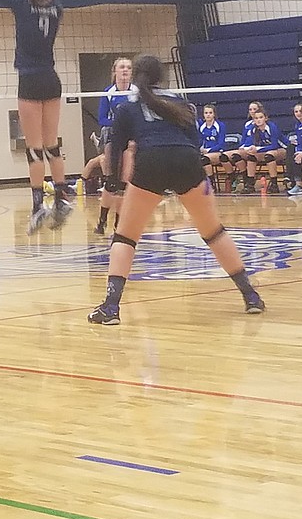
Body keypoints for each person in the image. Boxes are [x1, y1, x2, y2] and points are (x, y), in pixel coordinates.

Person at [87, 55, 264, 326]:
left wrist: (114, 184)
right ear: (161, 77)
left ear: (135, 76)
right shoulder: (181, 102)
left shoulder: (126, 107)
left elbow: (116, 149)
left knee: (125, 237)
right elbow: (194, 142)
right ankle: (250, 296)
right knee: (214, 232)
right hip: (187, 162)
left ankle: (110, 308)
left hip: (151, 163)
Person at [0, 0, 72, 233]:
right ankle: (61, 198)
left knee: (34, 149)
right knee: (52, 145)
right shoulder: (57, 10)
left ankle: (38, 207)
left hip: (30, 80)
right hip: (51, 79)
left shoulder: (23, 7)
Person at [95, 56, 134, 235]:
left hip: (131, 138)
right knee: (111, 182)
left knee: (124, 184)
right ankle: (102, 221)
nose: (125, 70)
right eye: (122, 67)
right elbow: (102, 118)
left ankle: (119, 225)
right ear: (115, 71)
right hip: (113, 135)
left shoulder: (137, 92)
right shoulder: (109, 92)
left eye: (128, 67)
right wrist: (118, 123)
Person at [251, 104, 288, 194]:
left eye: (260, 117)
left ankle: (274, 184)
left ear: (266, 118)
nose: (258, 120)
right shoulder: (254, 130)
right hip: (268, 150)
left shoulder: (272, 127)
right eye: (256, 118)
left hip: (283, 149)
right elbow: (257, 145)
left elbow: (275, 145)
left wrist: (258, 149)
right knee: (251, 156)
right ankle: (249, 184)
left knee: (269, 156)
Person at [198, 104, 229, 180]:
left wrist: (208, 150)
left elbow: (221, 144)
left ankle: (211, 183)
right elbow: (199, 141)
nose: (208, 115)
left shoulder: (220, 125)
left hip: (217, 151)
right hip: (205, 152)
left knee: (204, 160)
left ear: (214, 114)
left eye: (210, 113)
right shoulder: (202, 127)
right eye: (206, 113)